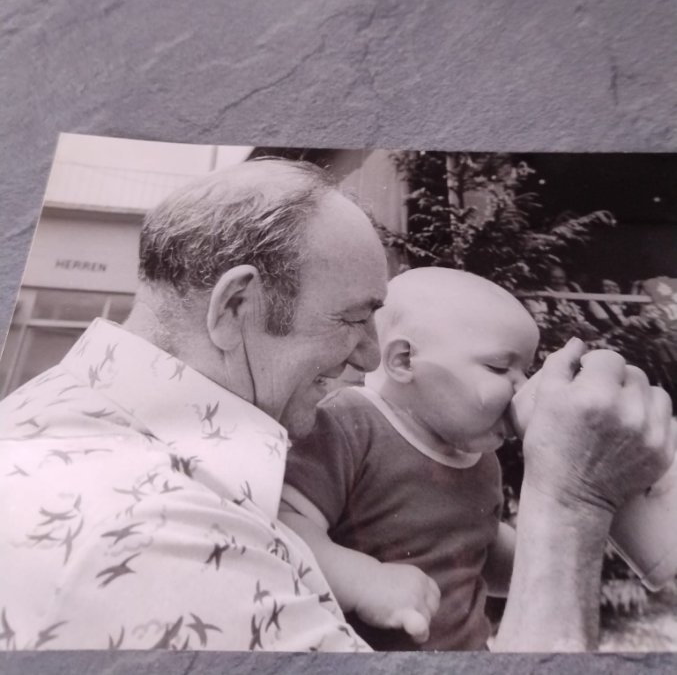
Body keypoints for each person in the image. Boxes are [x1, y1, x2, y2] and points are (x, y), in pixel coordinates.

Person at [0, 159, 673, 651]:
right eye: (353, 319)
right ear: (236, 306)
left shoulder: (98, 433)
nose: (371, 358)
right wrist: (572, 502)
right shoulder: (158, 538)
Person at [280, 267, 539, 650]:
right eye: (500, 367)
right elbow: (283, 527)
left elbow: (476, 549)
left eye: (527, 372)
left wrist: (546, 553)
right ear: (404, 361)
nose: (523, 389)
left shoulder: (480, 458)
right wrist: (364, 581)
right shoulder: (349, 424)